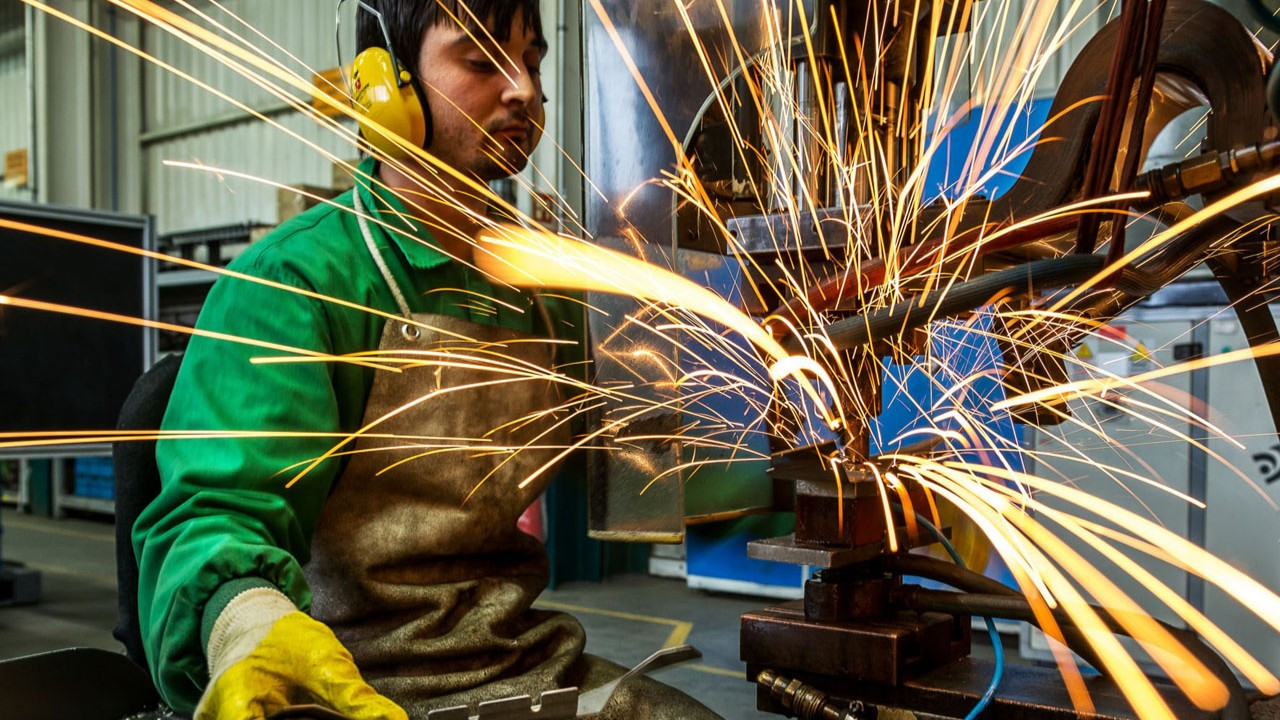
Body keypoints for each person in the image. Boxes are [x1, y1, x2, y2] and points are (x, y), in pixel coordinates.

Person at [132, 2, 723, 719]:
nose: (523, 91)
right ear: (387, 83)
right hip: (344, 677)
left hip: (518, 664)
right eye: (481, 61)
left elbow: (649, 432)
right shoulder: (299, 283)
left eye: (533, 62)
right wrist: (247, 625)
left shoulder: (544, 291)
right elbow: (215, 513)